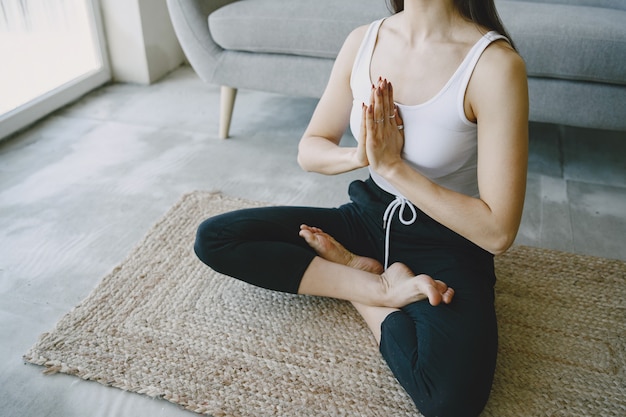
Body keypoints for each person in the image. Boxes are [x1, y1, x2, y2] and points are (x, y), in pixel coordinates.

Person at [194, 0, 528, 415]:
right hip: (369, 217)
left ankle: (360, 282)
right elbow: (311, 148)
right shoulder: (364, 40)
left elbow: (498, 232)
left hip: (451, 240)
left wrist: (393, 165)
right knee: (217, 238)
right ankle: (373, 284)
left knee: (450, 402)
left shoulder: (494, 66)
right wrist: (363, 156)